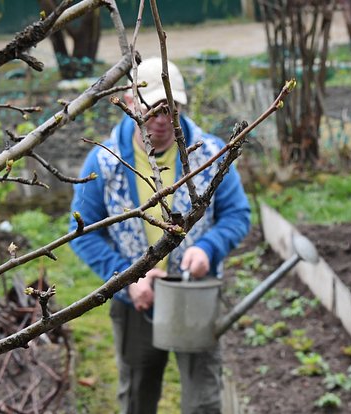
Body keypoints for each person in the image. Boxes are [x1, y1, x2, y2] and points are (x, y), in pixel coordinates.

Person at [69, 57, 250, 414]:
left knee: (204, 400)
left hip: (194, 295)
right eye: (153, 110)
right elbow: (82, 233)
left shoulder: (211, 154)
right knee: (138, 395)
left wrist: (209, 249)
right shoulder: (104, 162)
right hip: (137, 300)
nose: (164, 120)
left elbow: (237, 215)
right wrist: (125, 278)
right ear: (132, 105)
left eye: (173, 109)